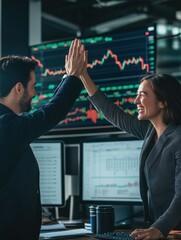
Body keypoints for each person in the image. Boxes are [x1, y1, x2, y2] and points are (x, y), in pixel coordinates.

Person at [65, 41, 181, 239]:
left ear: (163, 102)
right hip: (158, 230)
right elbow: (111, 112)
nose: (136, 101)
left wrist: (159, 228)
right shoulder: (149, 132)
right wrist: (83, 75)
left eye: (142, 95)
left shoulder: (178, 139)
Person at [0, 39, 86, 240]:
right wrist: (71, 76)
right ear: (19, 88)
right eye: (33, 86)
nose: (35, 94)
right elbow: (52, 112)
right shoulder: (7, 127)